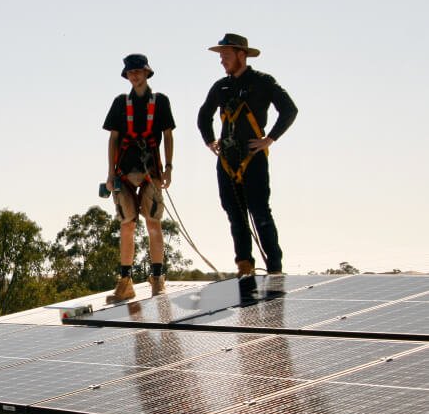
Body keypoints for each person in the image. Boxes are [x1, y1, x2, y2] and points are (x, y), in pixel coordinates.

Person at [198, 33, 297, 277]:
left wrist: (269, 139)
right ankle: (244, 266)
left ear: (241, 54)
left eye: (226, 55)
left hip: (253, 158)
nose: (222, 60)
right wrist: (210, 140)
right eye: (221, 56)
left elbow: (289, 109)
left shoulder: (262, 82)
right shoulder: (220, 86)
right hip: (226, 161)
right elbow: (203, 116)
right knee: (235, 215)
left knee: (260, 212)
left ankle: (275, 268)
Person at [103, 54, 175, 300]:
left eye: (138, 71)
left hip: (151, 170)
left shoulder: (161, 102)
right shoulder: (120, 103)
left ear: (146, 73)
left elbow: (168, 135)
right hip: (124, 171)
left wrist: (169, 167)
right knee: (127, 224)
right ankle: (125, 282)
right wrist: (110, 173)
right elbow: (113, 139)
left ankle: (157, 277)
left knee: (153, 222)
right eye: (130, 72)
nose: (134, 76)